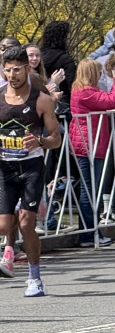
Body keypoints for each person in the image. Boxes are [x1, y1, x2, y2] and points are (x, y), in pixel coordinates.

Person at [0, 46, 61, 297]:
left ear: (27, 69)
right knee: (2, 226)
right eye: (8, 70)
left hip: (31, 168)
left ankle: (34, 278)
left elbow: (56, 138)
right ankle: (13, 224)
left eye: (17, 69)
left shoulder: (41, 99)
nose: (12, 74)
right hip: (5, 167)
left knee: (27, 224)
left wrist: (39, 142)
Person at [68, 59, 115, 248]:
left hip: (87, 143)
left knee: (89, 189)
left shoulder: (80, 90)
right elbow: (111, 101)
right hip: (89, 145)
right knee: (90, 190)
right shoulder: (86, 93)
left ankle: (88, 232)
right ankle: (89, 234)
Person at [39, 21, 77, 117]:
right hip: (62, 106)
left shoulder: (37, 58)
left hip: (40, 104)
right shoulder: (66, 60)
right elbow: (71, 85)